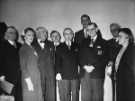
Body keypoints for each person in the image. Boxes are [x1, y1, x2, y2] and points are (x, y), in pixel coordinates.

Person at [79, 22, 109, 101]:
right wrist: (85, 66)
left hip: (97, 72)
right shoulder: (83, 42)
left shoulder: (104, 43)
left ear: (97, 29)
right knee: (85, 97)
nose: (90, 31)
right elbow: (79, 56)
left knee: (97, 96)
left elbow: (105, 58)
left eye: (92, 29)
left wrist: (93, 66)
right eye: (88, 30)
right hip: (84, 73)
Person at [19, 27, 43, 101]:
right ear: (24, 36)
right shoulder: (23, 48)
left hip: (36, 78)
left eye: (32, 35)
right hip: (29, 79)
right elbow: (23, 67)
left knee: (38, 98)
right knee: (30, 98)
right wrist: (29, 82)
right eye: (29, 35)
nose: (31, 37)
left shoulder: (32, 47)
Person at [55, 28, 79, 101]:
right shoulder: (59, 47)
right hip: (64, 75)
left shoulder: (77, 46)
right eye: (66, 34)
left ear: (72, 35)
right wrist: (58, 72)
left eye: (69, 34)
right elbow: (57, 61)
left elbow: (80, 59)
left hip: (75, 75)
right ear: (63, 36)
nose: (68, 35)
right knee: (65, 95)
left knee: (75, 95)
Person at [32, 26, 55, 101]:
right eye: (43, 32)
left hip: (50, 74)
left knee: (51, 95)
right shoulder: (32, 44)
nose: (45, 34)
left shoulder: (51, 44)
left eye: (46, 32)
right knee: (39, 94)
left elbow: (54, 58)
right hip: (38, 74)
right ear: (37, 34)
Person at [0, 26, 22, 101]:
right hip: (8, 77)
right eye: (10, 32)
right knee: (9, 97)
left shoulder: (20, 45)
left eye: (15, 33)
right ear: (6, 34)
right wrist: (1, 75)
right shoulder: (2, 45)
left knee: (19, 97)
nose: (13, 34)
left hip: (19, 77)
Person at [115, 28, 135, 101]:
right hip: (120, 83)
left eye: (120, 36)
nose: (118, 38)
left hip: (129, 86)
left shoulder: (132, 49)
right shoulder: (120, 48)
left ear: (127, 37)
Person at [106, 23, 121, 101]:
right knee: (114, 91)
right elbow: (106, 56)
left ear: (119, 29)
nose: (113, 31)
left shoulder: (124, 41)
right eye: (111, 30)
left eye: (115, 29)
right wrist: (109, 64)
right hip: (113, 72)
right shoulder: (108, 43)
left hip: (123, 71)